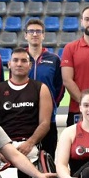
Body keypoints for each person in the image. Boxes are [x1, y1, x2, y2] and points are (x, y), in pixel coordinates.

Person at [0, 48, 53, 178]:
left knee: (24, 154)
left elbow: (45, 123)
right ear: (9, 64)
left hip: (29, 144)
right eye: (15, 60)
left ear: (30, 65)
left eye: (24, 61)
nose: (19, 64)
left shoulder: (40, 88)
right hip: (3, 144)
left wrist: (30, 143)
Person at [24, 18, 64, 159]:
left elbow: (60, 86)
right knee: (24, 161)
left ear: (43, 35)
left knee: (49, 158)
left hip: (48, 119)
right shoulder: (19, 58)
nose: (35, 34)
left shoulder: (53, 59)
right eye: (31, 31)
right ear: (26, 35)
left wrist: (52, 104)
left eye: (38, 31)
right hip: (25, 118)